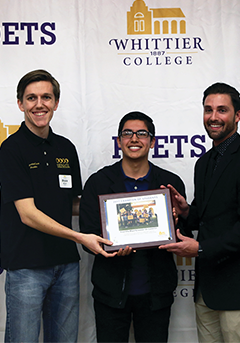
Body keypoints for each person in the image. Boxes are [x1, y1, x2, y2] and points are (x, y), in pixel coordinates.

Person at [0, 69, 115, 343]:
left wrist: (121, 214)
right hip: (27, 266)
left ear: (56, 103)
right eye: (32, 98)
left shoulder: (65, 148)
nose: (40, 104)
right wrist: (78, 236)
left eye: (46, 97)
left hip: (65, 265)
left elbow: (73, 205)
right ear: (20, 104)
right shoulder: (11, 150)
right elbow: (28, 214)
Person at [160, 83, 240, 343]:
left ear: (238, 115)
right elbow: (208, 216)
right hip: (207, 289)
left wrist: (199, 248)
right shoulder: (204, 163)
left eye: (222, 110)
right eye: (208, 110)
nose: (213, 117)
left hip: (239, 289)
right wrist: (187, 211)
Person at [79, 111, 191, 343]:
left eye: (142, 133)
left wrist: (176, 224)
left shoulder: (169, 184)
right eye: (127, 133)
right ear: (119, 141)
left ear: (152, 141)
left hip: (156, 294)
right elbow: (87, 235)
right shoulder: (98, 182)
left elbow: (184, 237)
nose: (134, 138)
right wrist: (109, 247)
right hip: (110, 293)